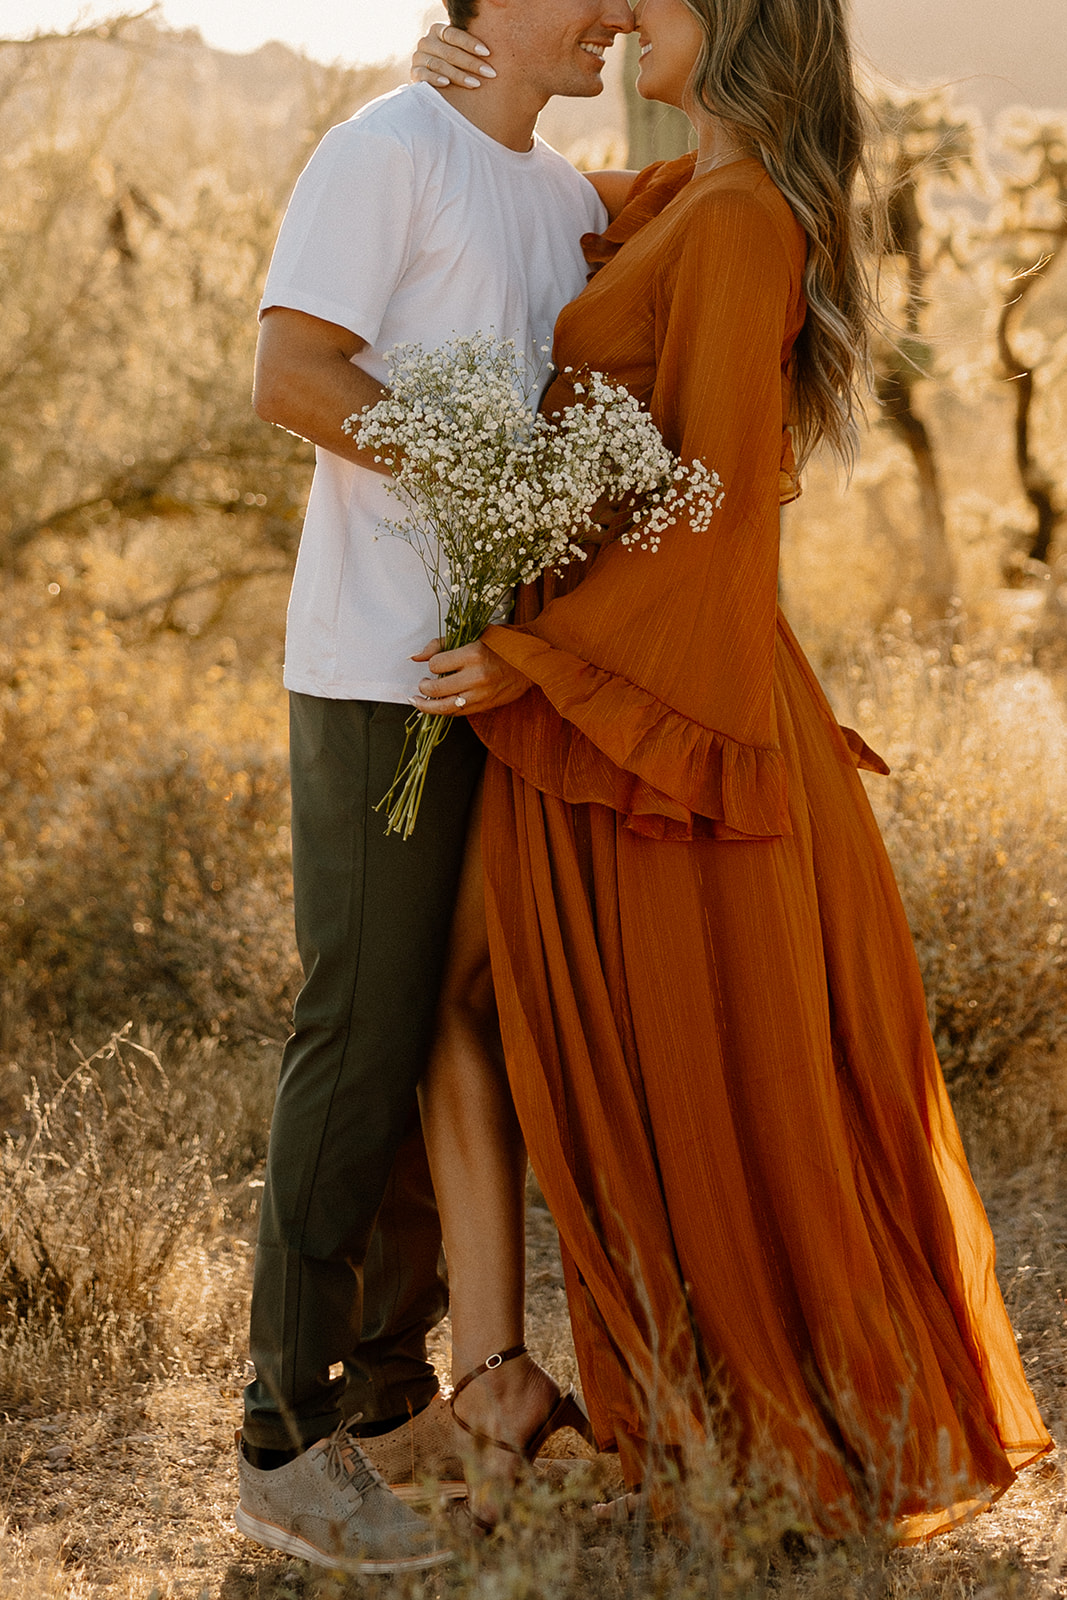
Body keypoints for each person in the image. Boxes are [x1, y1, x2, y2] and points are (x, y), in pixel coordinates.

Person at [405, 0, 1053, 1541]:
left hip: (666, 702)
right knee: (488, 1007)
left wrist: (538, 658)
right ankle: (511, 1386)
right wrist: (450, 76)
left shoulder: (745, 220)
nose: (630, 8)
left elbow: (709, 508)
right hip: (629, 686)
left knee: (697, 1068)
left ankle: (758, 1437)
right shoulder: (686, 196)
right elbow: (528, 197)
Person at [236, 0, 635, 1572]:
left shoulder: (571, 195)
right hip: (378, 673)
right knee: (358, 1036)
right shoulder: (384, 149)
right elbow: (289, 373)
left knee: (442, 1030)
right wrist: (489, 478)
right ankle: (282, 1442)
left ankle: (402, 1399)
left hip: (509, 679)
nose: (621, 13)